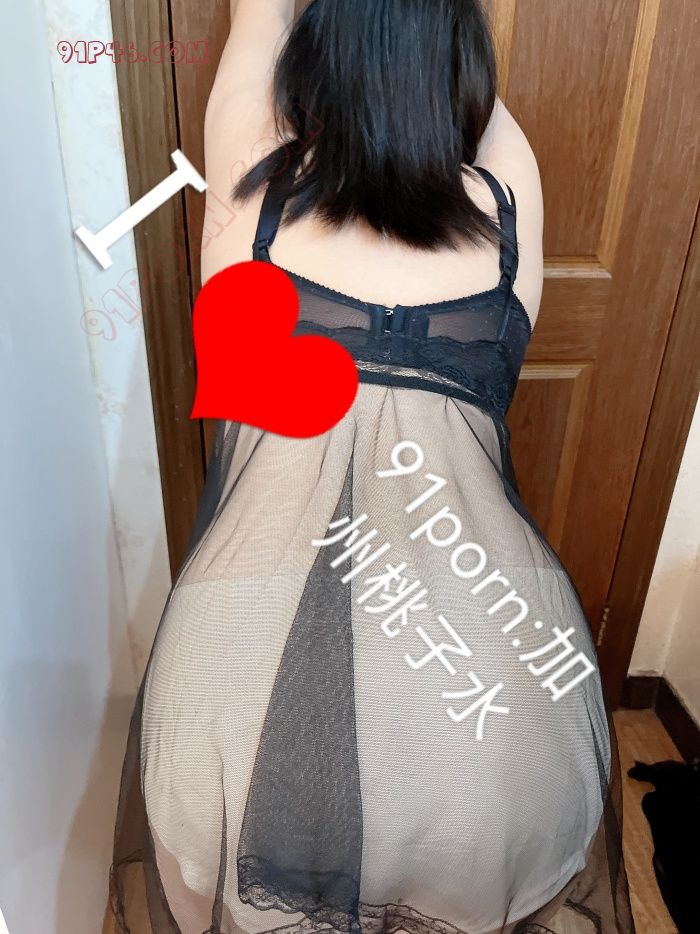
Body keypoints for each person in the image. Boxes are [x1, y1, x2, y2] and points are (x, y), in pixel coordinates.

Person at [109, 2, 636, 932]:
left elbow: (259, 18)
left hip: (237, 687)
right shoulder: (509, 205)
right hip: (491, 703)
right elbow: (470, 97)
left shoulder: (253, 187)